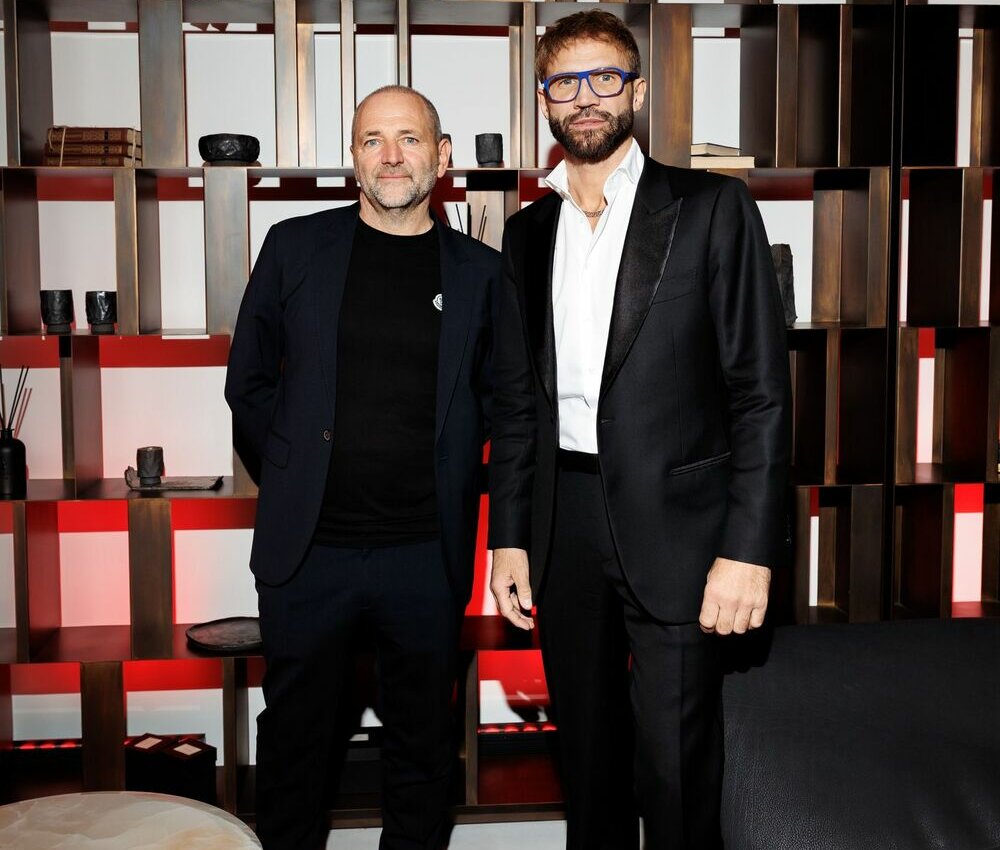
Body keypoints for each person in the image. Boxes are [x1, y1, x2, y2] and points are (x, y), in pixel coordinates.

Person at [488, 10, 792, 849]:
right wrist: (508, 536)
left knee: (676, 772)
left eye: (605, 77)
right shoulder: (525, 233)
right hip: (563, 523)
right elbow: (517, 402)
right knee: (587, 768)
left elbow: (761, 394)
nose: (585, 97)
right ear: (543, 101)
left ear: (638, 90)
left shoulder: (711, 207)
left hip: (684, 529)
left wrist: (749, 549)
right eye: (565, 82)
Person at [226, 85, 501, 850]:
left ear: (442, 157)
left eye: (409, 139)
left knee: (422, 752)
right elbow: (248, 383)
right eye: (373, 139)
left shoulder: (482, 273)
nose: (391, 156)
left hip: (426, 557)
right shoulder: (293, 247)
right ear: (353, 157)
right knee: (295, 750)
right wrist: (292, 475)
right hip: (308, 556)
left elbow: (502, 405)